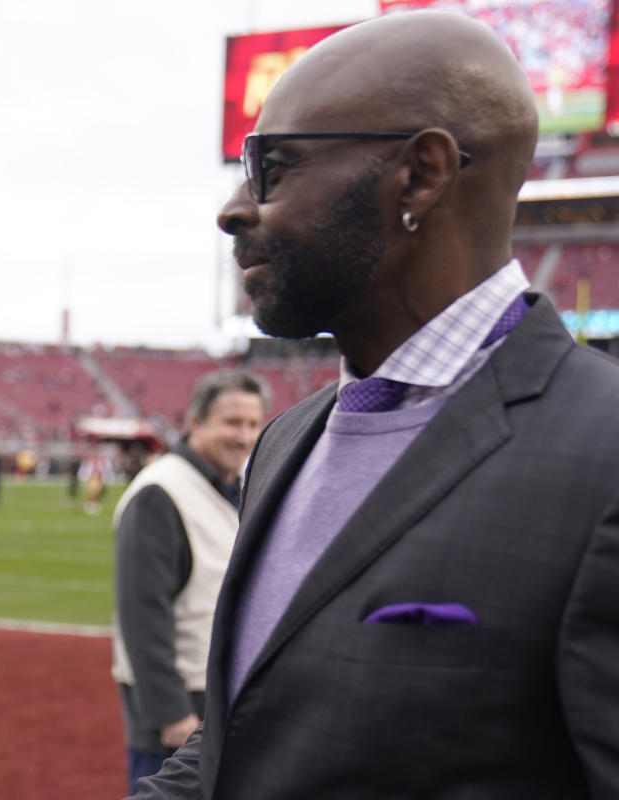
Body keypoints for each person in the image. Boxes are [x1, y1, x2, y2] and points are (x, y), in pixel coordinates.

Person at [132, 11, 619, 799]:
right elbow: (243, 747)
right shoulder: (288, 439)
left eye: (274, 167)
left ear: (421, 175)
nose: (232, 209)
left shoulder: (602, 455)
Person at [112, 371, 265, 794]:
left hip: (217, 697)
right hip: (178, 716)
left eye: (254, 424)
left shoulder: (229, 486)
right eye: (232, 422)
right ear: (196, 422)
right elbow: (142, 614)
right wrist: (171, 714)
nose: (244, 436)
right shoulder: (160, 492)